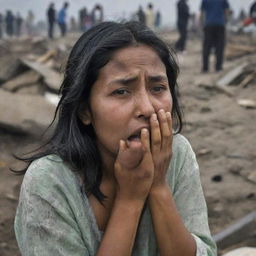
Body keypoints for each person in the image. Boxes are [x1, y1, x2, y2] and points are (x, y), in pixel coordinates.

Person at [14, 21, 217, 256]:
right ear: (85, 110)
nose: (147, 108)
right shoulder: (50, 182)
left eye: (158, 88)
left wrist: (158, 185)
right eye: (121, 91)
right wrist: (130, 199)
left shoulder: (176, 154)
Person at [200, 0, 230, 72]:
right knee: (220, 47)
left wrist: (203, 24)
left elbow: (202, 14)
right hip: (220, 25)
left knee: (207, 47)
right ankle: (218, 67)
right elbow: (226, 11)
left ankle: (205, 68)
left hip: (209, 25)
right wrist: (225, 21)